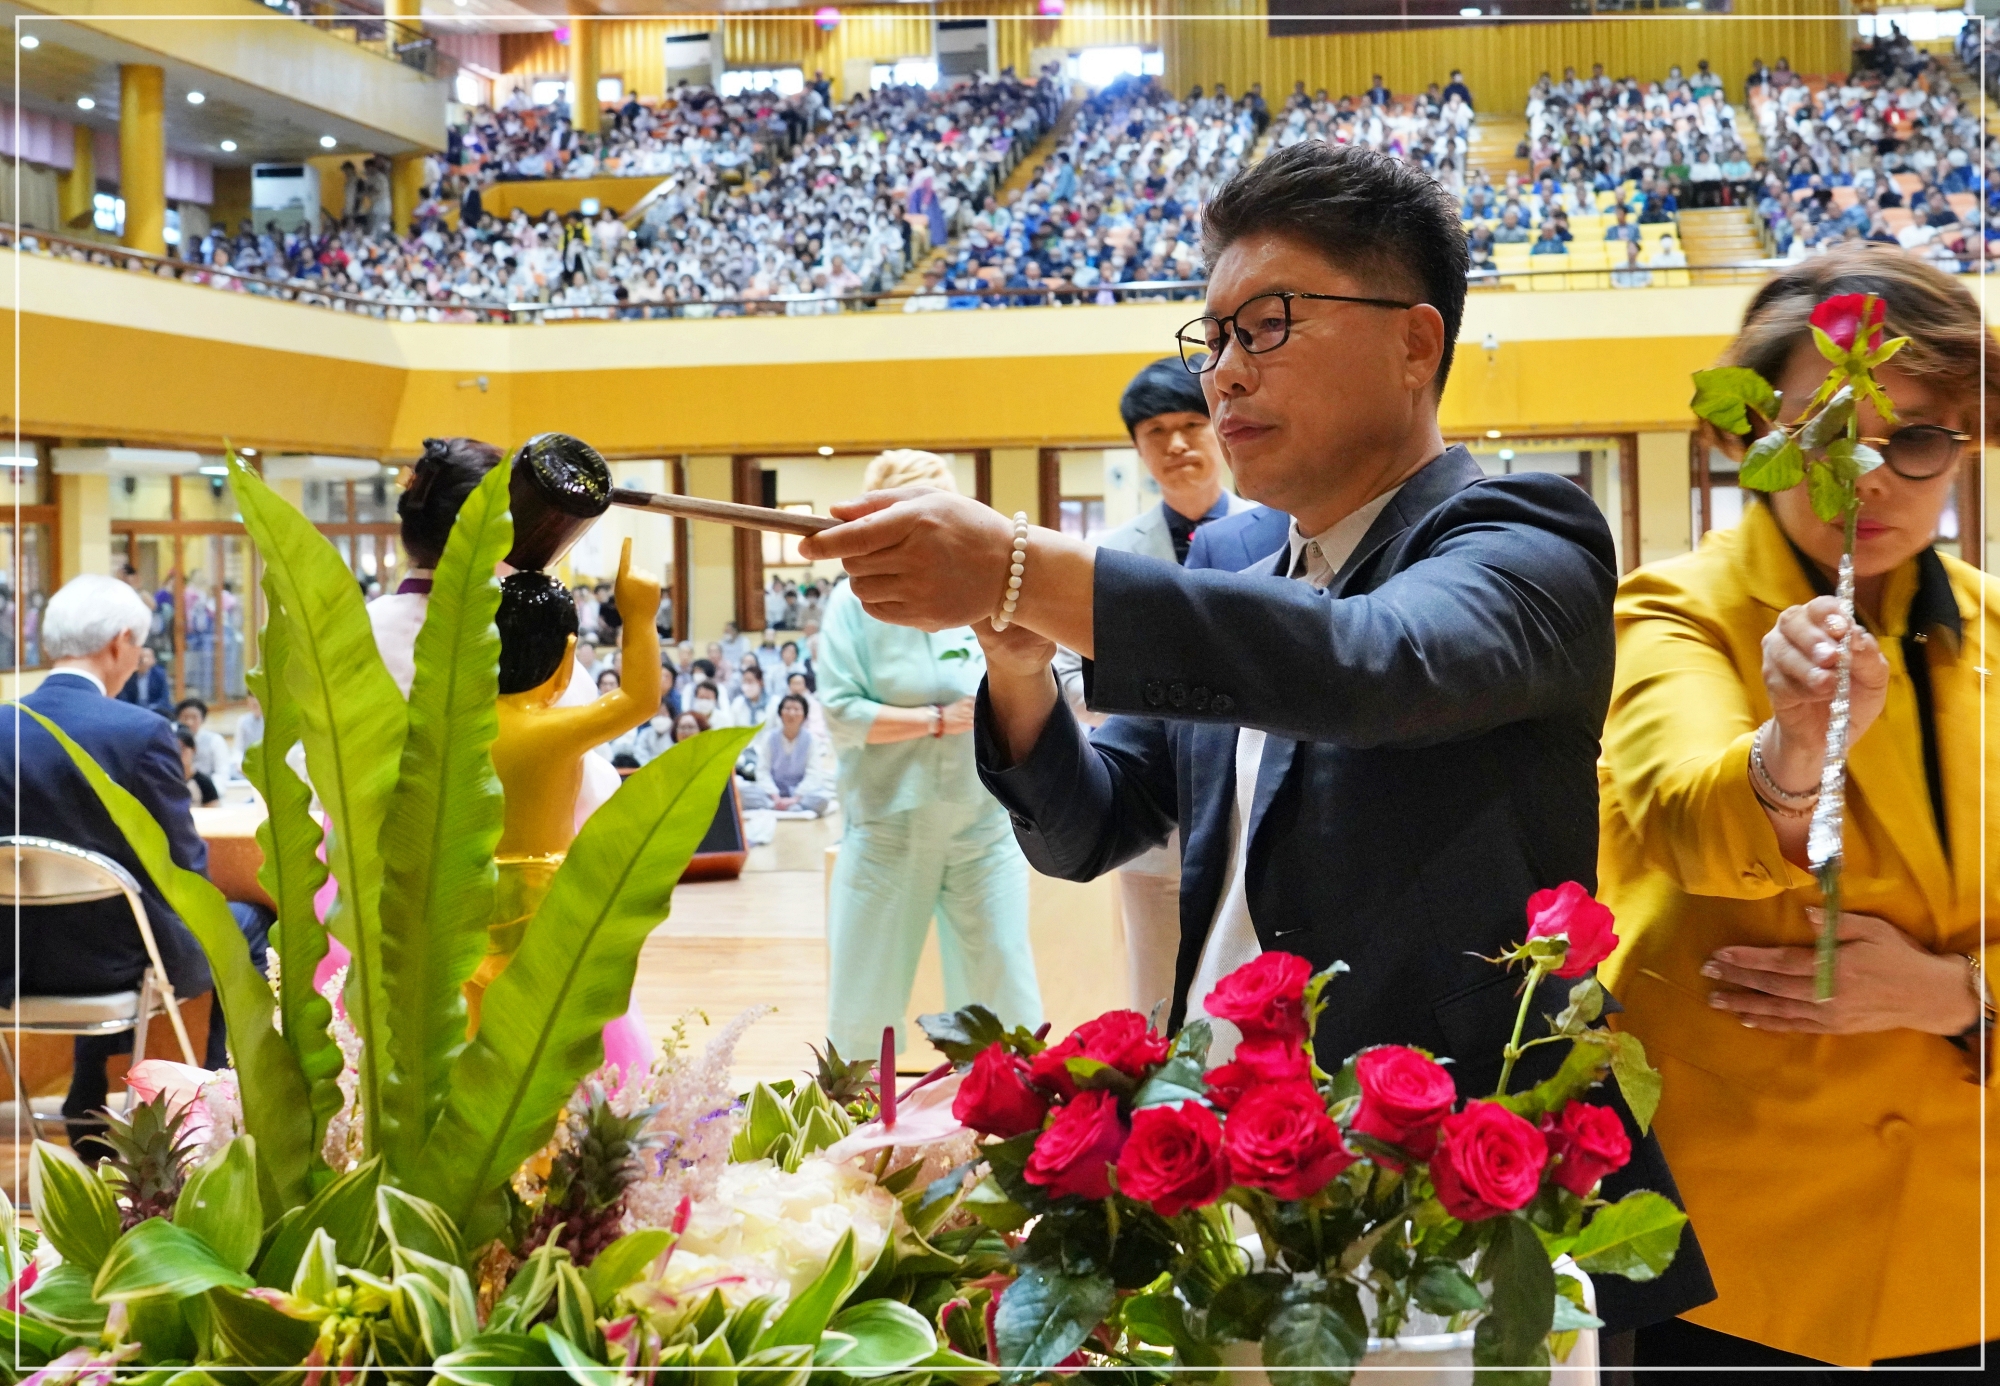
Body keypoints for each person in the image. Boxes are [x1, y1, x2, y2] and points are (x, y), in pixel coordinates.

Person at [799, 142, 1711, 1337]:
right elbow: (1094, 827)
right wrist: (1020, 663)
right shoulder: (1236, 568)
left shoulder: (1521, 536)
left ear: (1414, 342)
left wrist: (1027, 563)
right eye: (1213, 336)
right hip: (1235, 1176)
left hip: (1454, 1199)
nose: (1222, 376)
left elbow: (1374, 664)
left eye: (1266, 325)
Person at [1600, 248, 1997, 1376]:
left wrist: (1951, 995)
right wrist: (1788, 747)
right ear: (1748, 438)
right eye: (1825, 433)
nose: (1866, 474)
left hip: (1966, 1243)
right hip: (1739, 1258)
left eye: (1914, 438)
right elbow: (1683, 819)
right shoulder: (1672, 611)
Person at [0, 575, 271, 1144]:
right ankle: (220, 1103)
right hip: (121, 966)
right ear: (121, 642)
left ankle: (89, 1081)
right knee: (243, 924)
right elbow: (185, 871)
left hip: (14, 965)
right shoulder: (141, 732)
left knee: (115, 923)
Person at [815, 450, 1043, 1057]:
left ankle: (1010, 1121)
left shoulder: (983, 593)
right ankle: (854, 1130)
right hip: (889, 828)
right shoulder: (851, 604)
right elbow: (841, 711)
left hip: (984, 826)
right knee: (866, 992)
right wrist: (937, 721)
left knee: (1004, 985)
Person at [1056, 356, 1261, 1015]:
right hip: (1155, 827)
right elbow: (1067, 674)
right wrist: (1160, 703)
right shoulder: (1108, 558)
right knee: (1158, 1000)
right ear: (1138, 449)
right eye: (1155, 432)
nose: (1175, 444)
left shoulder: (1277, 534)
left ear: (1220, 429)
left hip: (1254, 814)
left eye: (1190, 424)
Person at [741, 693, 836, 815]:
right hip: (772, 792)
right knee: (742, 792)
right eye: (787, 709)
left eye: (796, 709)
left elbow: (813, 773)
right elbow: (762, 770)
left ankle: (790, 806)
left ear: (804, 715)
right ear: (780, 713)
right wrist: (774, 795)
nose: (791, 713)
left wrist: (796, 797)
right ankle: (778, 806)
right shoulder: (769, 738)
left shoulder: (811, 740)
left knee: (823, 798)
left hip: (801, 792)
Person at [174, 698, 231, 783]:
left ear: (203, 719)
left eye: (194, 718)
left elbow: (222, 773)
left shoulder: (215, 740)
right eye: (185, 718)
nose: (189, 722)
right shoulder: (173, 740)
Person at [116, 645, 173, 717]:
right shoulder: (128, 675)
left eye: (147, 657)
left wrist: (151, 709)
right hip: (133, 710)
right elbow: (123, 697)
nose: (143, 660)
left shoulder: (160, 674)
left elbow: (164, 697)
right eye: (140, 657)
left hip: (155, 710)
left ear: (153, 660)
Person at [176, 725, 220, 806]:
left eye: (182, 749)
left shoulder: (204, 783)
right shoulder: (167, 781)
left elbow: (214, 811)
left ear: (193, 749)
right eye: (175, 749)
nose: (179, 753)